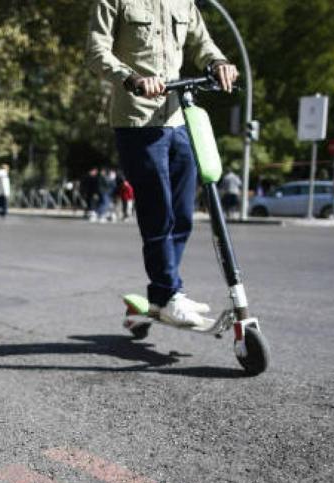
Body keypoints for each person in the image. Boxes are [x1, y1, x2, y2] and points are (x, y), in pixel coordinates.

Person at [87, 0, 238, 327]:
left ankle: (162, 295)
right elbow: (96, 52)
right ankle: (169, 293)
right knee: (159, 213)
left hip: (177, 117)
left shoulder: (183, 2)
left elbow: (202, 42)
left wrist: (219, 62)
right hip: (137, 122)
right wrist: (131, 78)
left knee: (183, 214)